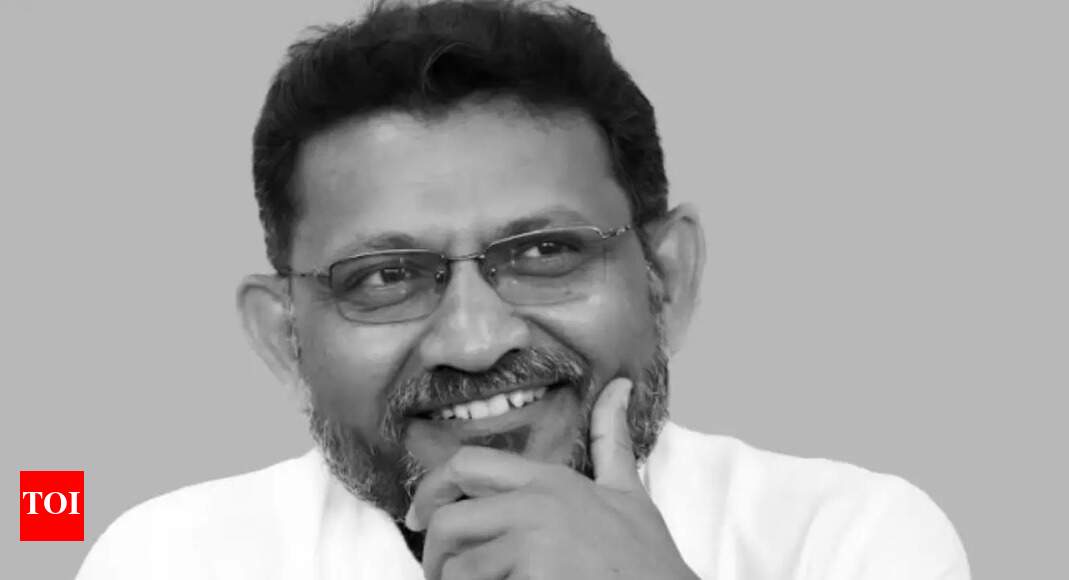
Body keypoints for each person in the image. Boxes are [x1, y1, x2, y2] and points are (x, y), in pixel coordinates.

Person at [76, 1, 970, 578]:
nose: (474, 340)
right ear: (284, 338)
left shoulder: (846, 539)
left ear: (664, 278)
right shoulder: (169, 558)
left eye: (545, 252)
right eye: (385, 277)